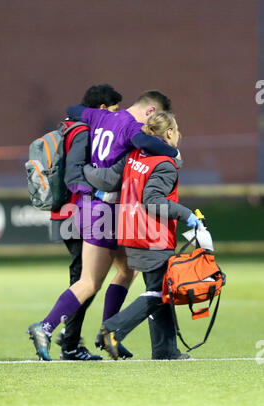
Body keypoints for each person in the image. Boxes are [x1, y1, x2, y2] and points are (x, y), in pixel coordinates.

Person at [30, 91, 183, 361]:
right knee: (89, 281)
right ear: (150, 112)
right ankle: (45, 327)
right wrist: (173, 151)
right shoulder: (132, 128)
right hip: (101, 209)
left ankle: (108, 333)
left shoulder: (101, 116)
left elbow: (73, 108)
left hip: (107, 210)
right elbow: (140, 143)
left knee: (127, 271)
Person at [85, 111, 201, 360]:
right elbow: (152, 201)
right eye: (177, 131)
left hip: (130, 231)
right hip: (151, 235)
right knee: (159, 292)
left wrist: (81, 172)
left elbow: (112, 180)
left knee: (159, 289)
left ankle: (165, 350)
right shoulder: (164, 165)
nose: (179, 136)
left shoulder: (134, 155)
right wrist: (186, 214)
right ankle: (112, 329)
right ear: (169, 133)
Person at [28, 84, 127, 361]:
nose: (117, 116)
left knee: (87, 279)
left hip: (72, 213)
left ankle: (75, 338)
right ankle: (67, 341)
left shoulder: (71, 125)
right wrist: (99, 193)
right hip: (75, 213)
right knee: (86, 281)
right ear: (103, 109)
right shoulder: (83, 131)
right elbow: (73, 175)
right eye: (115, 109)